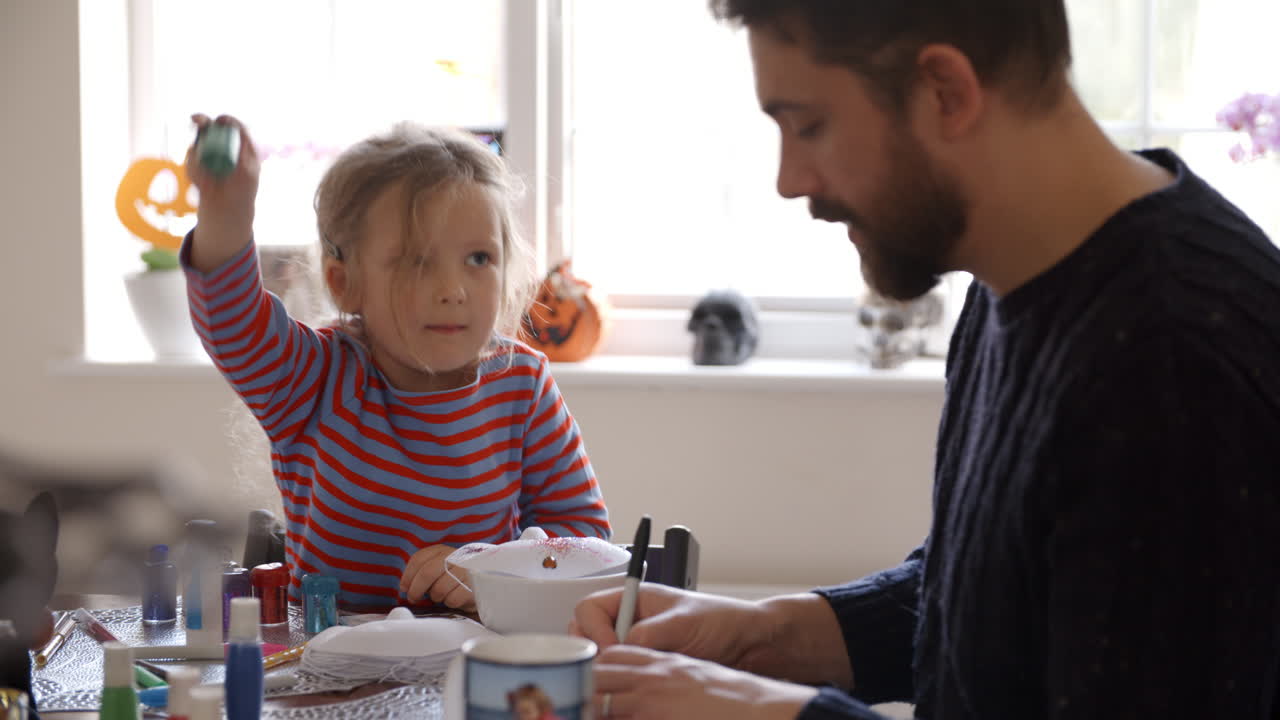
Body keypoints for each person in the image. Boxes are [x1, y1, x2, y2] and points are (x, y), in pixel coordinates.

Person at [570, 1, 1280, 718]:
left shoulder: (1171, 363)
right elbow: (999, 605)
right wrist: (763, 635)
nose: (789, 179)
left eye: (809, 124)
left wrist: (772, 714)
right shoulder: (1016, 278)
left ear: (945, 90)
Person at [182, 116, 611, 612]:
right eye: (418, 261)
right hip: (330, 668)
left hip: (470, 664)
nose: (453, 290)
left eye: (478, 259)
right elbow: (232, 321)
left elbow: (585, 539)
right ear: (345, 283)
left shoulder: (522, 384)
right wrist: (224, 216)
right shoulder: (313, 376)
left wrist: (496, 570)